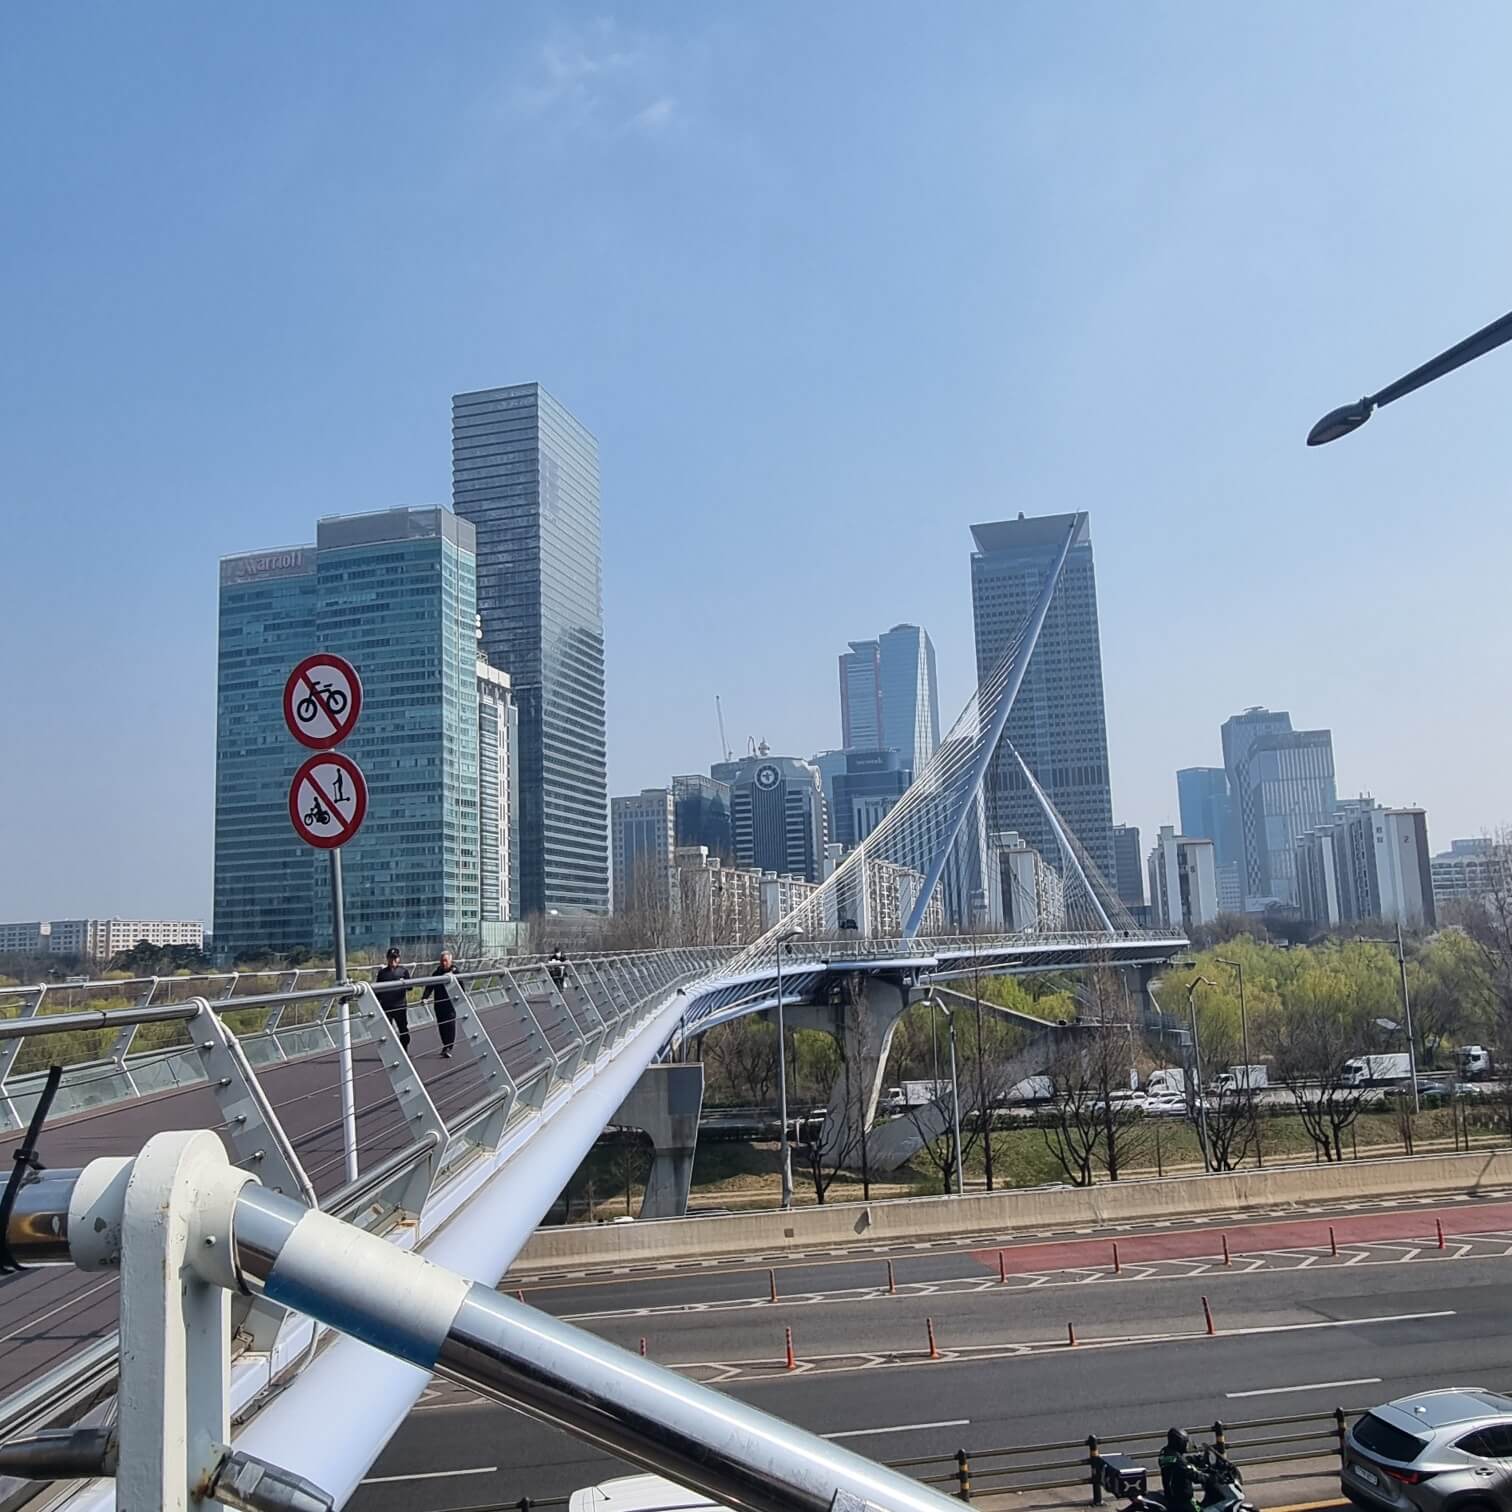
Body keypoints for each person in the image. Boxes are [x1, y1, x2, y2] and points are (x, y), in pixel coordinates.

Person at [374, 947, 412, 1051]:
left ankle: (404, 1048)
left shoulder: (403, 971)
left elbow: (410, 987)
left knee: (403, 1028)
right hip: (386, 1006)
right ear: (387, 959)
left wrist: (404, 982)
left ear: (399, 959)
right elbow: (377, 990)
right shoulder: (382, 973)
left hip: (400, 1006)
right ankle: (390, 1051)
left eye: (395, 958)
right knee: (387, 1030)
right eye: (391, 958)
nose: (393, 960)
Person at [422, 949, 457, 1058]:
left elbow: (461, 987)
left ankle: (449, 1047)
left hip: (451, 1004)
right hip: (439, 1004)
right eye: (442, 961)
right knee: (442, 1026)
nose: (443, 963)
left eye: (446, 961)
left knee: (450, 1025)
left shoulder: (455, 973)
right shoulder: (436, 973)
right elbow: (429, 986)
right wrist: (425, 997)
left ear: (450, 961)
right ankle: (445, 1045)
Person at [1158, 1428, 1202, 1512]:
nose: (1185, 1445)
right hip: (1181, 1500)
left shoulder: (1165, 1452)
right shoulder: (1178, 1461)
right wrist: (1207, 1478)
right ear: (1178, 1443)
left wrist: (1193, 1459)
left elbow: (1180, 1461)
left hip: (1171, 1495)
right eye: (1184, 1442)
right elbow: (1192, 1474)